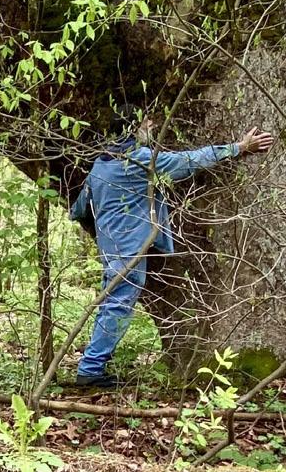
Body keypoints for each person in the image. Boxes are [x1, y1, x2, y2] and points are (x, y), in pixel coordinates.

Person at [69, 114, 273, 387]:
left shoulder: (101, 164)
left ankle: (91, 367)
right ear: (132, 129)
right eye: (145, 123)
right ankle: (91, 370)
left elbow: (80, 207)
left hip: (112, 248)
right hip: (129, 250)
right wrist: (238, 148)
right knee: (118, 305)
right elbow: (188, 161)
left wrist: (101, 224)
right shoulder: (141, 160)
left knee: (111, 303)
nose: (151, 126)